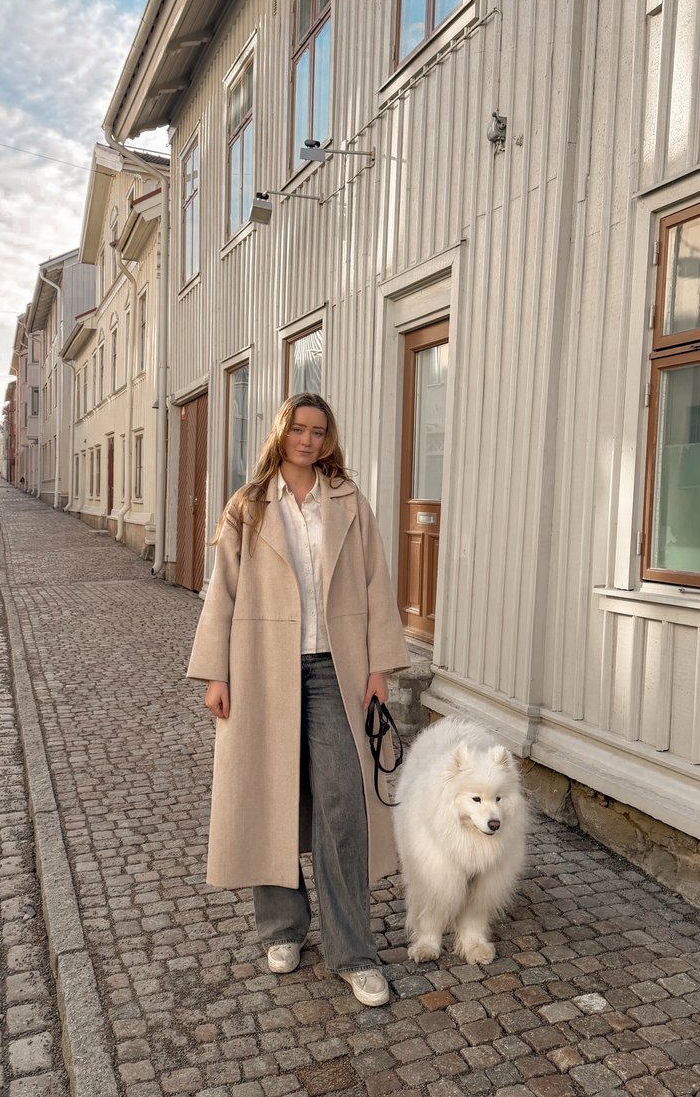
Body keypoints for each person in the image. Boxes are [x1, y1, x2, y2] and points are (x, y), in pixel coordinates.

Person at [187, 393, 408, 1006]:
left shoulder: (348, 504)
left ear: (329, 439)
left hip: (336, 668)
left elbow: (376, 584)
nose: (308, 441)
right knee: (270, 798)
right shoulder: (248, 506)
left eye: (319, 431)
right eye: (299, 430)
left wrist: (380, 668)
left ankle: (353, 951)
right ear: (282, 433)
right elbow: (221, 593)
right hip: (261, 668)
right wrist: (215, 674)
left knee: (343, 806)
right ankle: (282, 929)